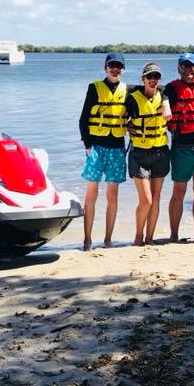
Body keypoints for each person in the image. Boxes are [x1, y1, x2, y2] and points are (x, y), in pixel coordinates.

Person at [162, 52, 194, 242]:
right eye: (184, 66)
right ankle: (174, 235)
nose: (188, 70)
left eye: (191, 66)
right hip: (181, 146)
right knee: (179, 191)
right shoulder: (171, 88)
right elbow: (162, 96)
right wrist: (165, 104)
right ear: (178, 69)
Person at [78, 52, 127, 250]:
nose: (114, 69)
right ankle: (87, 240)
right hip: (96, 147)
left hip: (116, 147)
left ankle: (108, 240)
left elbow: (156, 90)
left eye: (118, 66)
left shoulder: (128, 90)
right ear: (105, 68)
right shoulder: (94, 88)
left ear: (122, 69)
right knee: (91, 193)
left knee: (113, 195)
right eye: (111, 66)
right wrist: (87, 145)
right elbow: (83, 119)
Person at [124, 61, 169, 246]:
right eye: (149, 76)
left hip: (160, 151)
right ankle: (138, 237)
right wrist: (126, 125)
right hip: (139, 154)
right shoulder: (131, 96)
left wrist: (166, 102)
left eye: (156, 77)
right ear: (142, 78)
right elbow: (120, 115)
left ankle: (149, 238)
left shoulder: (164, 94)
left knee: (156, 198)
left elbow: (167, 90)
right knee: (147, 200)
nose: (153, 80)